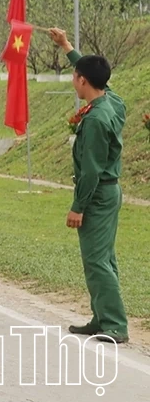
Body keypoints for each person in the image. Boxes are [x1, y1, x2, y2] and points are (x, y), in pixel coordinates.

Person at [49, 27, 128, 343]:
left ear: (83, 81)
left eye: (75, 75)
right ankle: (102, 316)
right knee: (103, 258)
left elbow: (92, 171)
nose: (73, 79)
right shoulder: (112, 102)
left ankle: (115, 324)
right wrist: (67, 46)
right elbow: (98, 77)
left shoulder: (95, 119)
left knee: (96, 260)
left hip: (96, 194)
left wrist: (77, 207)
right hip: (109, 192)